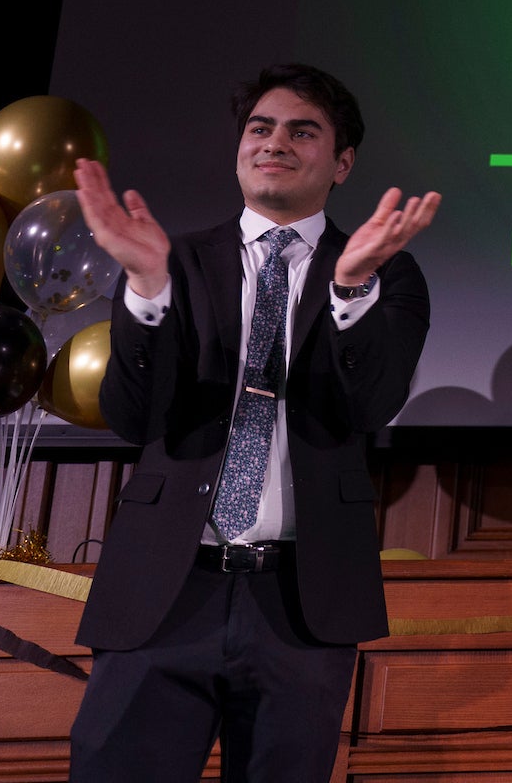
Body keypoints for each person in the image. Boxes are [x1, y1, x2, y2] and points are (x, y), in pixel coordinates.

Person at [67, 64, 440, 782]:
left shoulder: (386, 271)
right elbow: (132, 417)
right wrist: (146, 293)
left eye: (303, 131)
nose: (275, 143)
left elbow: (371, 405)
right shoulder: (169, 259)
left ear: (342, 162)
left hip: (300, 606)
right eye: (260, 128)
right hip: (164, 593)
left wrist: (353, 289)